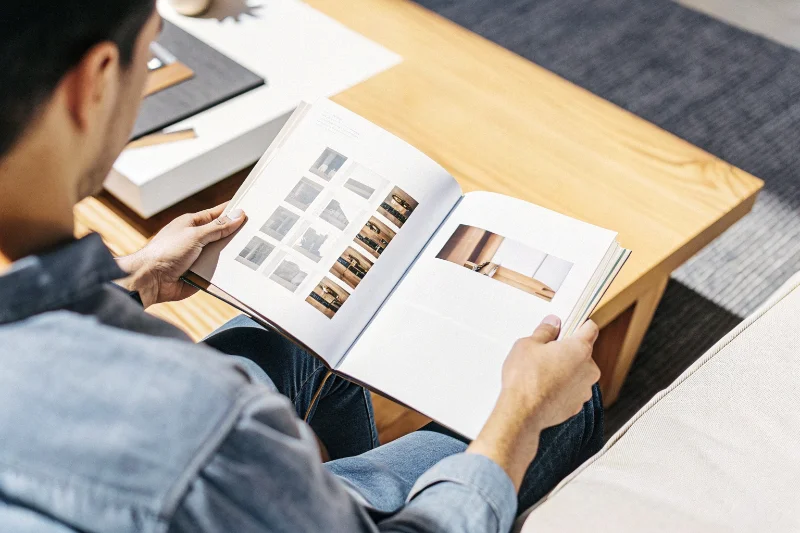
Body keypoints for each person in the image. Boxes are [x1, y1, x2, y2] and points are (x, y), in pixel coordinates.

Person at [0, 2, 604, 532]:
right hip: (199, 487)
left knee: (295, 334)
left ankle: (314, 487)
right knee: (565, 404)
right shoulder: (197, 426)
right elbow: (187, 445)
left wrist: (139, 277)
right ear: (95, 83)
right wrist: (519, 415)